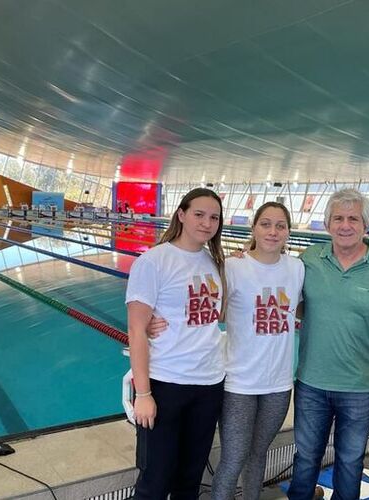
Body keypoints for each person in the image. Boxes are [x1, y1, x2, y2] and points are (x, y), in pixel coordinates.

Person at [149, 202, 305, 500]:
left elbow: (305, 309)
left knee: (259, 456)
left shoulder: (296, 268)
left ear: (288, 231)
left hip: (279, 383)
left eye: (281, 226)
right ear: (254, 228)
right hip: (238, 382)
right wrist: (149, 323)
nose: (273, 232)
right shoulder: (232, 267)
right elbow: (203, 308)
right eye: (266, 224)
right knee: (233, 459)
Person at [288, 189, 369, 500]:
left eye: (353, 218)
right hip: (311, 383)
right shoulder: (309, 260)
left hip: (362, 388)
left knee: (350, 462)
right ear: (328, 224)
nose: (345, 225)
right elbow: (281, 294)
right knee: (305, 460)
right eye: (338, 218)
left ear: (366, 225)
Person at [126, 187, 227, 500]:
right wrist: (143, 394)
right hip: (166, 383)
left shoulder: (215, 263)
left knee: (190, 479)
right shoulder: (154, 261)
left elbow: (215, 317)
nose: (206, 223)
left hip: (209, 384)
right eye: (199, 214)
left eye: (214, 218)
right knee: (154, 482)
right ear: (181, 215)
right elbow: (136, 329)